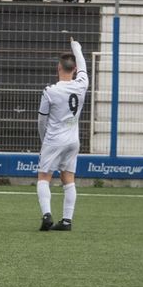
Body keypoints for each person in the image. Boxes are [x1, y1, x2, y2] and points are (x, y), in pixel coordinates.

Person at [37, 38, 88, 232]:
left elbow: (42, 120)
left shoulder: (50, 91)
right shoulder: (82, 84)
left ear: (59, 67)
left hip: (54, 139)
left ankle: (47, 215)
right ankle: (67, 221)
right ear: (74, 69)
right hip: (73, 140)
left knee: (44, 176)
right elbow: (83, 64)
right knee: (68, 178)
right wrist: (76, 47)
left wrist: (44, 140)